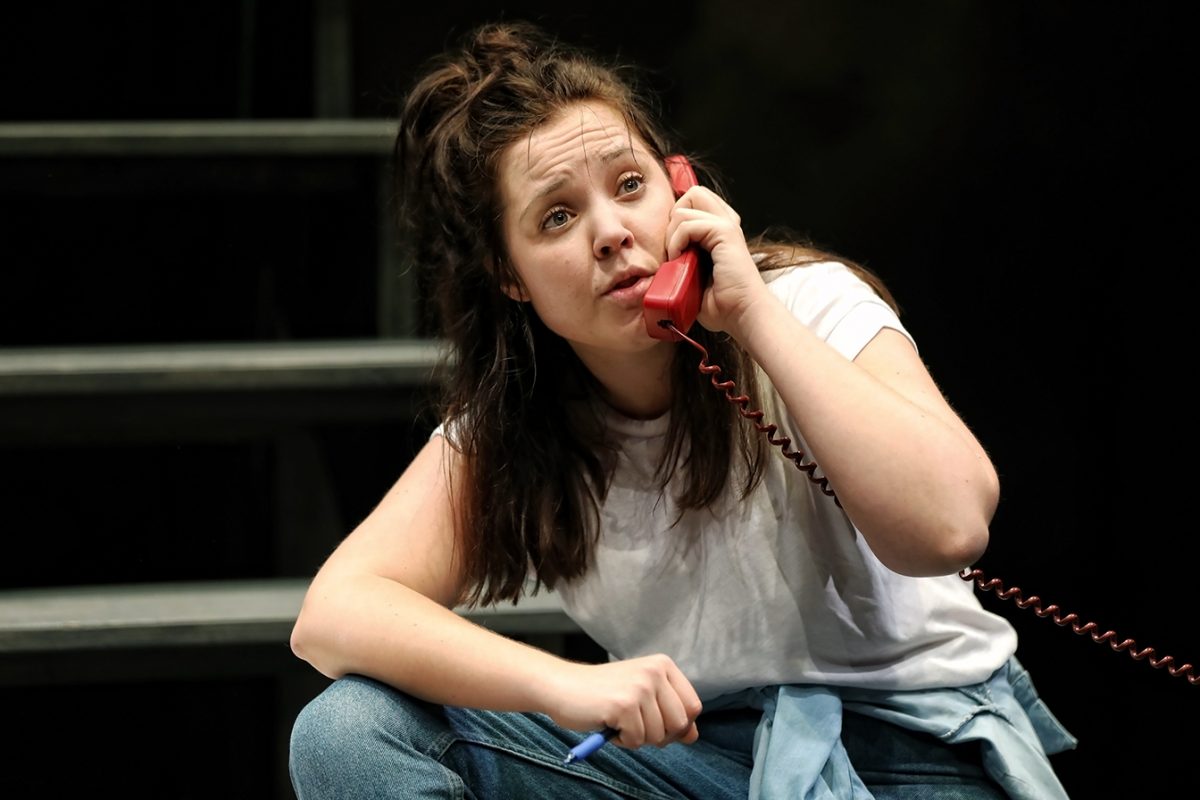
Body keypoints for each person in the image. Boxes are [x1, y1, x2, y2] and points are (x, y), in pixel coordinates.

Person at [287, 19, 1076, 800]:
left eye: (630, 186)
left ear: (681, 187)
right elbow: (333, 614)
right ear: (510, 276)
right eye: (557, 216)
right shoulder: (518, 417)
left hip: (915, 751)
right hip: (700, 760)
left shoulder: (806, 303)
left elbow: (950, 528)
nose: (611, 232)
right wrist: (560, 685)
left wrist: (753, 316)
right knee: (350, 729)